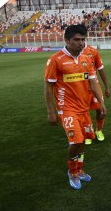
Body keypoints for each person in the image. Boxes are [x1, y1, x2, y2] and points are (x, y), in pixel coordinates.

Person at [44, 24, 107, 190]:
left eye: (83, 40)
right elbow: (48, 87)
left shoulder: (86, 59)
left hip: (84, 109)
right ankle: (72, 172)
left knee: (84, 142)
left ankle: (79, 169)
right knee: (76, 141)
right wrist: (51, 112)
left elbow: (93, 83)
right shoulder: (56, 60)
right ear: (67, 40)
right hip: (67, 110)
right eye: (77, 40)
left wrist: (101, 103)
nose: (81, 43)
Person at [83, 45, 111, 144]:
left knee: (100, 110)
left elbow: (101, 69)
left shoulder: (93, 51)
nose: (80, 41)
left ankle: (99, 130)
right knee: (84, 112)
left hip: (94, 85)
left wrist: (107, 87)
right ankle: (88, 134)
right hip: (81, 88)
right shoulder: (73, 52)